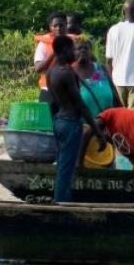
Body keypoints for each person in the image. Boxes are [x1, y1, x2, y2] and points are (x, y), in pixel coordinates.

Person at [46, 35, 96, 203]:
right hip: (70, 123)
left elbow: (53, 102)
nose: (75, 52)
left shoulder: (51, 71)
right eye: (72, 49)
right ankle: (60, 206)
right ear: (64, 51)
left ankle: (63, 200)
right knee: (66, 171)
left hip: (59, 120)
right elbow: (81, 105)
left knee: (62, 166)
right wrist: (98, 131)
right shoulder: (66, 72)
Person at [74, 39, 122, 115]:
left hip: (108, 119)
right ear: (73, 52)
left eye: (86, 48)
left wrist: (121, 112)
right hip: (85, 124)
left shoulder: (100, 68)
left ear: (91, 52)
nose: (83, 50)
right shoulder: (71, 72)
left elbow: (113, 91)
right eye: (79, 48)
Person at [32, 13, 66, 102]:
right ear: (50, 27)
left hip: (69, 91)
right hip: (48, 90)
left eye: (61, 25)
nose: (58, 28)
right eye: (55, 26)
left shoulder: (74, 43)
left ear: (66, 25)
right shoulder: (43, 44)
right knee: (47, 115)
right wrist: (55, 52)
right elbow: (38, 68)